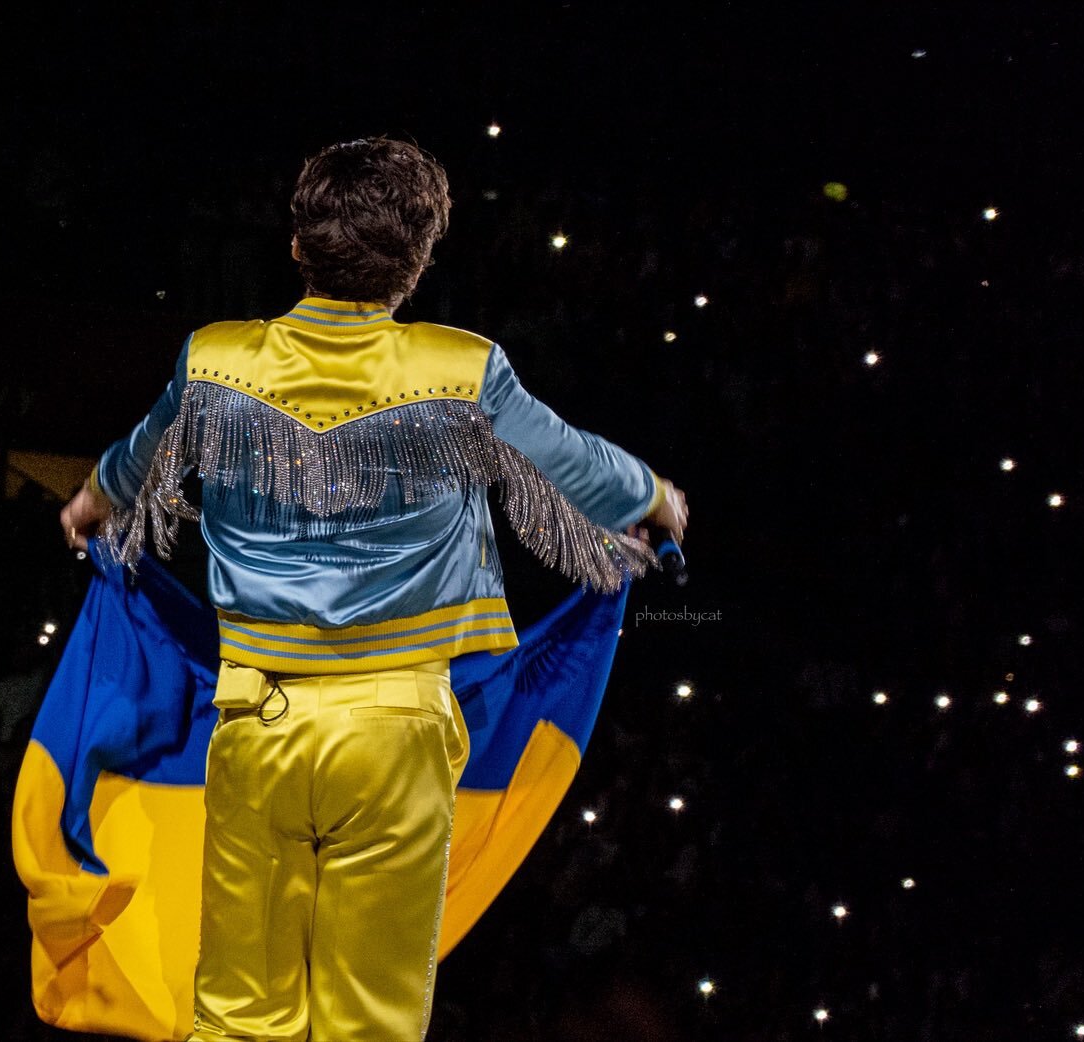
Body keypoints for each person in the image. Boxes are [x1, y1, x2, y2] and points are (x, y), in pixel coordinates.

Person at [61, 136, 687, 1042]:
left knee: (238, 1016)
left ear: (296, 246)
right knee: (373, 1023)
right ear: (420, 257)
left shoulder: (216, 360)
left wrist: (90, 503)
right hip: (397, 733)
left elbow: (136, 460)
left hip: (257, 724)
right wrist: (658, 499)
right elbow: (573, 462)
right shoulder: (460, 366)